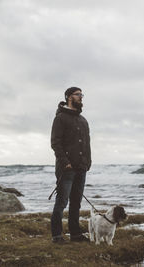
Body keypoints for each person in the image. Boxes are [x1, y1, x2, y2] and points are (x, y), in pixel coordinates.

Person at [50, 87, 91, 244]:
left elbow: (87, 144)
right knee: (62, 202)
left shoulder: (83, 120)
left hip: (81, 167)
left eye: (82, 94)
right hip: (66, 168)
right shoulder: (60, 118)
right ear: (68, 97)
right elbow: (55, 143)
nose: (81, 97)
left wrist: (88, 162)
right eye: (77, 94)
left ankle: (75, 234)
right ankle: (57, 236)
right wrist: (65, 162)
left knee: (76, 202)